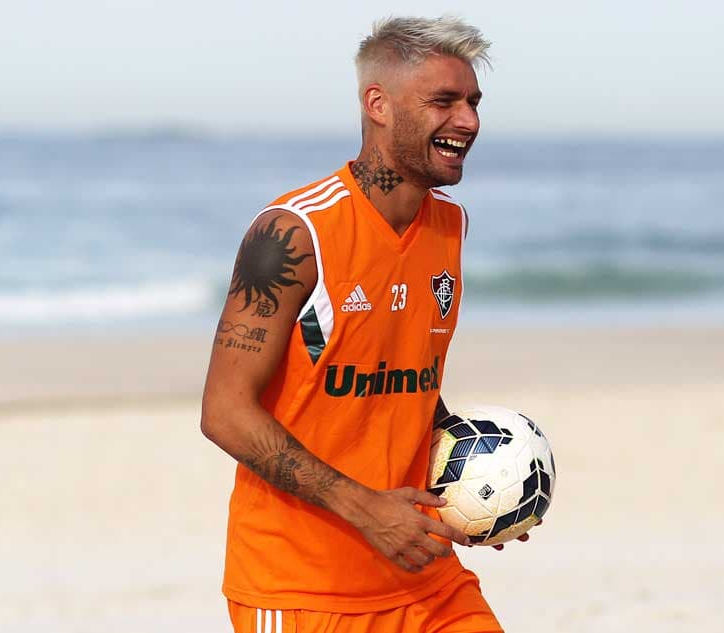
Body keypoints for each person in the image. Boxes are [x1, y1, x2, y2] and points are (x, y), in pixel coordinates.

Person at [201, 16, 529, 633]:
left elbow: (399, 381)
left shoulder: (448, 228)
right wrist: (369, 510)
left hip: (425, 574)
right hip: (300, 590)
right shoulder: (293, 234)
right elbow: (224, 411)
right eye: (444, 102)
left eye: (473, 103)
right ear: (377, 104)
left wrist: (480, 485)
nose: (468, 122)